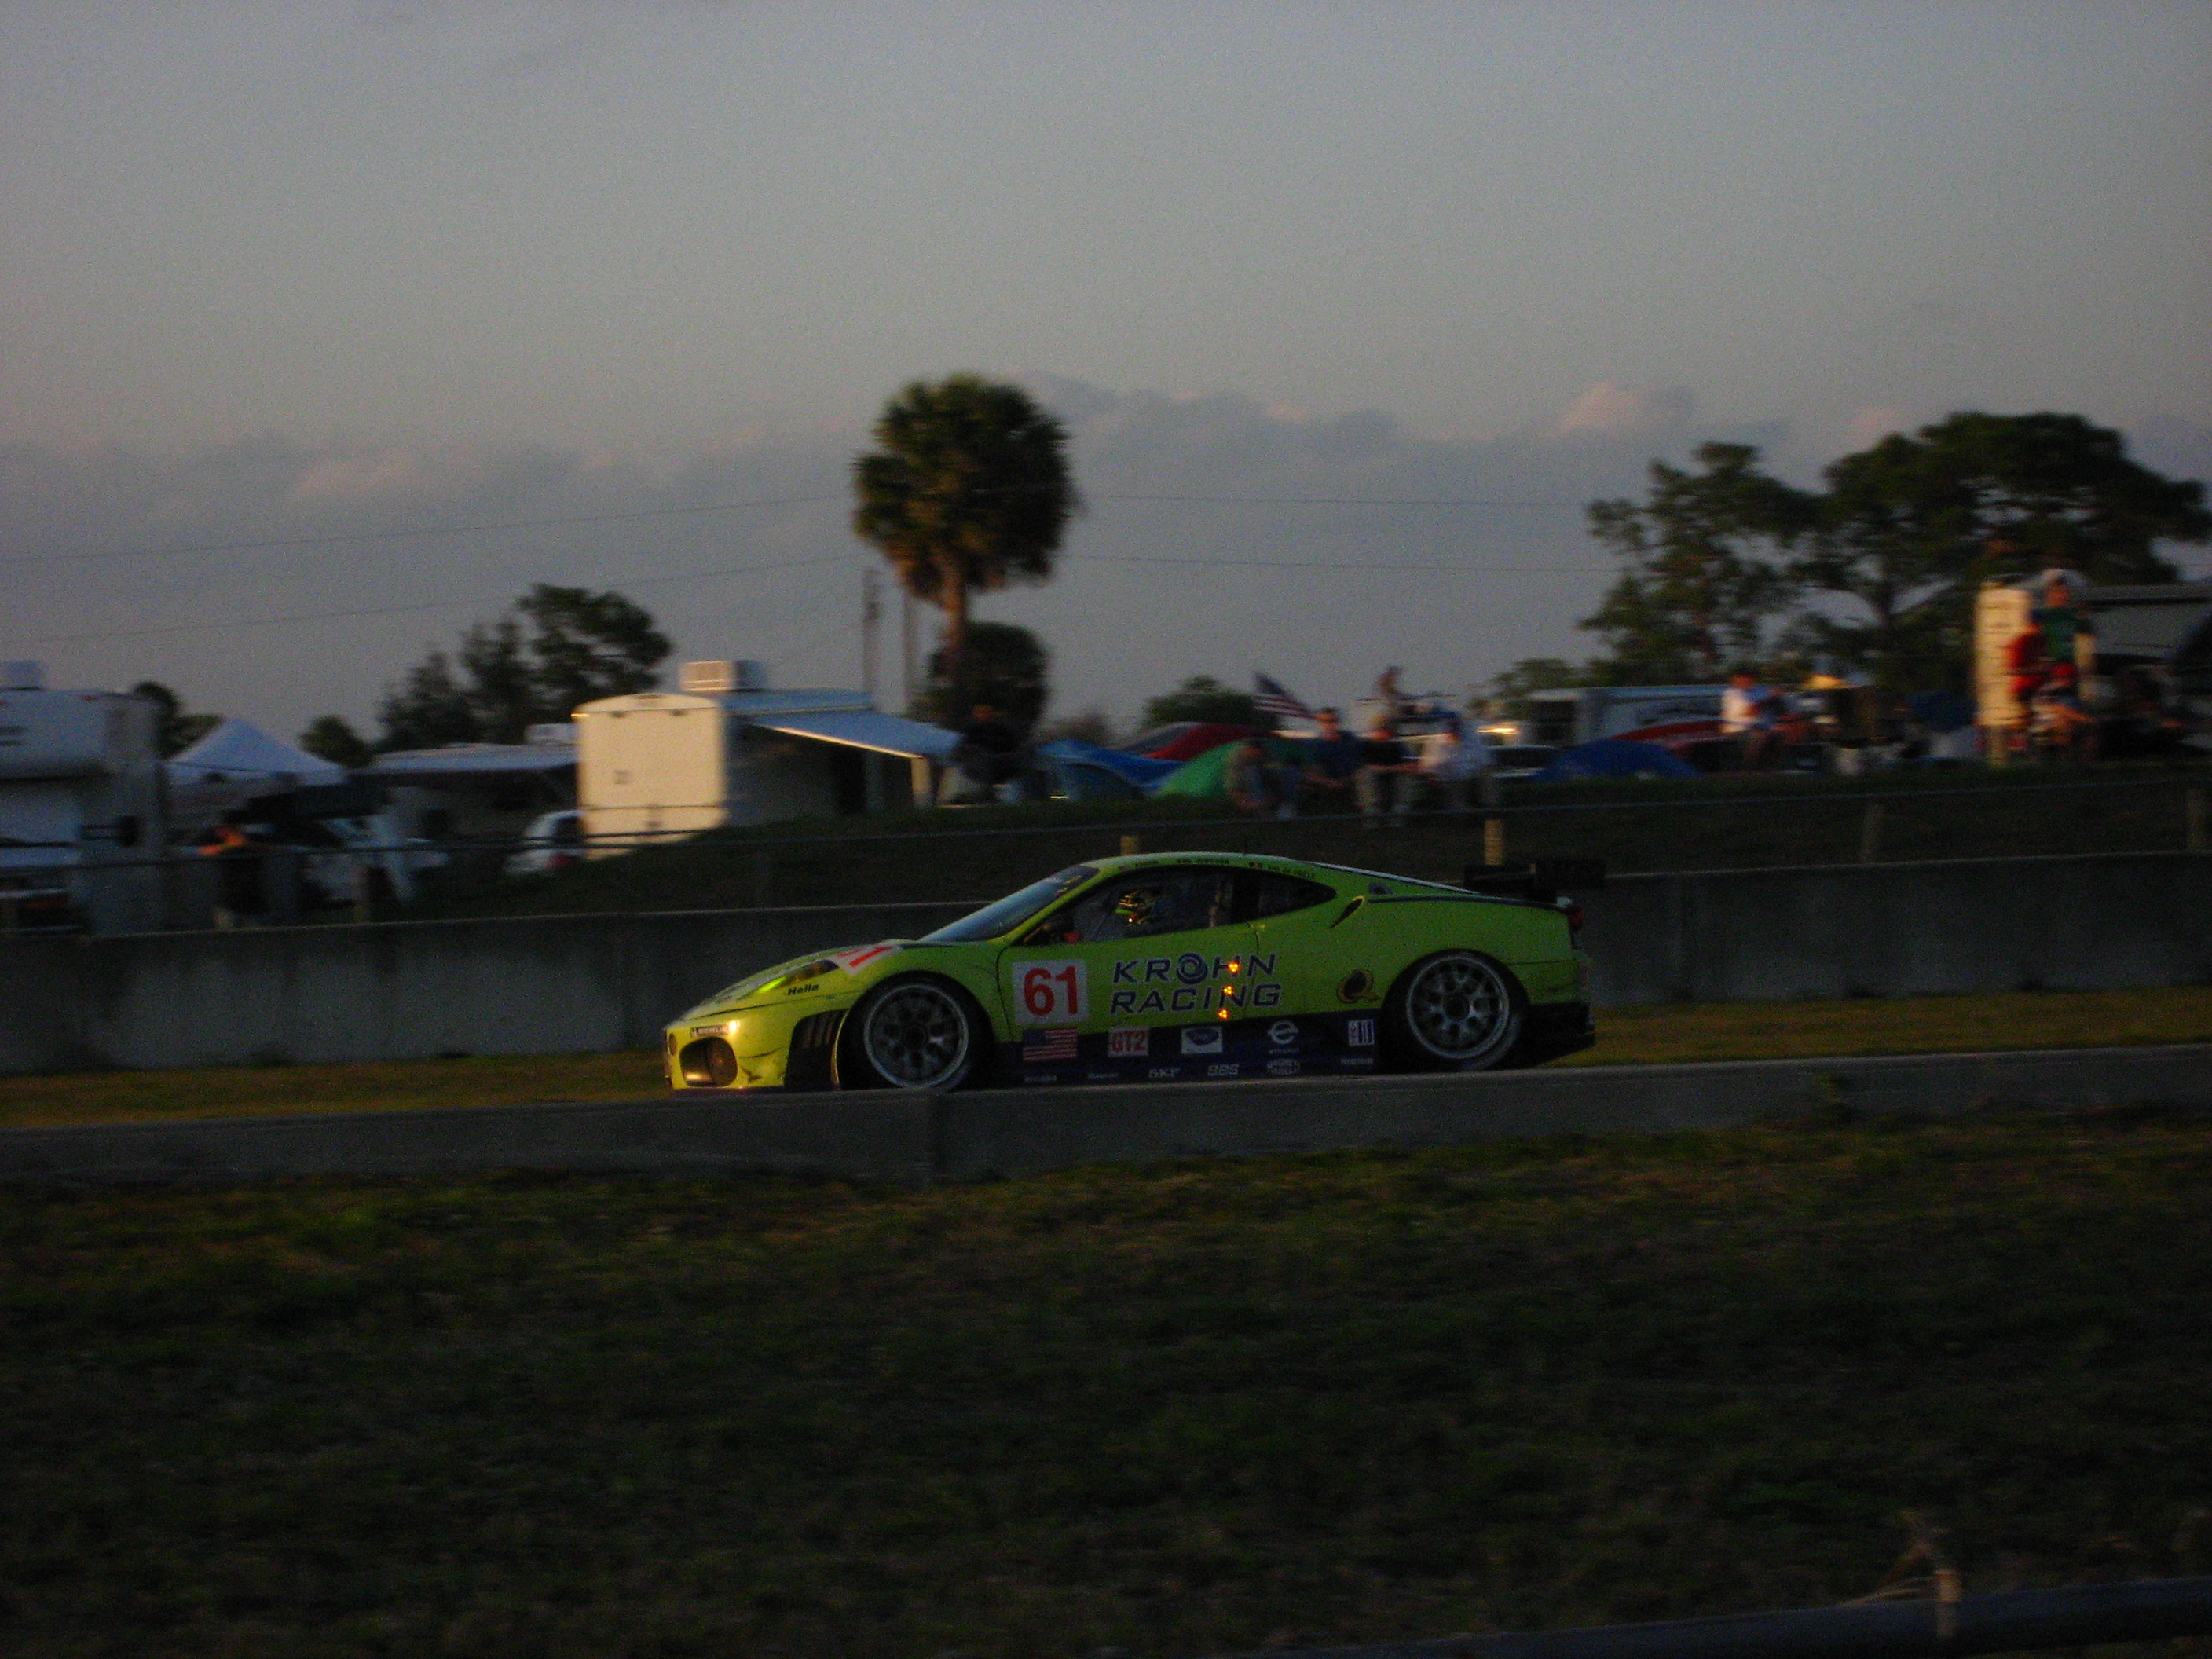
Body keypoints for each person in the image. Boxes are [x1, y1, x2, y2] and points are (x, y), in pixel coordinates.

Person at [939, 701, 1024, 804]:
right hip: (979, 764)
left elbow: (1013, 747)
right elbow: (961, 749)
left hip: (1001, 764)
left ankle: (987, 794)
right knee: (980, 762)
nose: (983, 715)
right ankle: (980, 794)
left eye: (986, 712)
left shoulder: (1002, 730)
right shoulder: (972, 731)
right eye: (980, 713)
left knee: (989, 763)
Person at [1415, 712, 1491, 811]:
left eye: (1456, 726)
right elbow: (1428, 767)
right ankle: (1460, 816)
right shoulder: (1436, 742)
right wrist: (1439, 774)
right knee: (1456, 789)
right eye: (1451, 726)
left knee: (1487, 777)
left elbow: (1484, 761)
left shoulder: (1472, 739)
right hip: (1450, 778)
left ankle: (1491, 811)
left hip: (1471, 776)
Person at [1355, 717, 1420, 829]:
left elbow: (1412, 765)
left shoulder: (1398, 746)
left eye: (1386, 730)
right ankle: (1372, 813)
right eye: (1379, 730)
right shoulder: (1364, 745)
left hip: (1395, 776)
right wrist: (1393, 768)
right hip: (1374, 778)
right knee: (1365, 775)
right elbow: (1364, 767)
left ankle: (1399, 813)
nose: (1383, 733)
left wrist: (1388, 769)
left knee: (1407, 777)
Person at [1297, 707, 1363, 814]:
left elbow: (1359, 766)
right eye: (1324, 721)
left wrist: (1345, 781)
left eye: (1332, 721)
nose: (1328, 725)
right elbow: (1310, 771)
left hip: (1350, 783)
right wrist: (1330, 783)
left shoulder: (1350, 741)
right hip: (1324, 785)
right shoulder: (1313, 745)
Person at [1720, 670, 1777, 771]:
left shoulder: (1760, 691)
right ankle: (1748, 768)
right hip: (1738, 729)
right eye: (1740, 678)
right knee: (1760, 736)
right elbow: (1750, 711)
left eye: (1747, 678)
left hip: (1762, 727)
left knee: (1780, 733)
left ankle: (1777, 768)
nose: (1744, 680)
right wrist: (1770, 698)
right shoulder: (1732, 694)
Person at [1223, 735, 1287, 818]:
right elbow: (1233, 786)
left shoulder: (1268, 755)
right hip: (1250, 798)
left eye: (1258, 750)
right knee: (1251, 773)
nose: (1256, 753)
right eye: (1253, 749)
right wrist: (1248, 802)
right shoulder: (1237, 760)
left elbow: (1277, 774)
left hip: (1269, 795)